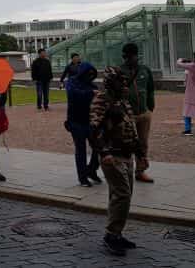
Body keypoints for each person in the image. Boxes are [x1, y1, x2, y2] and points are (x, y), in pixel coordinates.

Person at [90, 66, 146, 256]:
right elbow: (94, 129)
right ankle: (111, 235)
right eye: (120, 81)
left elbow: (132, 128)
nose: (124, 84)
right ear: (110, 81)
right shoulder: (102, 99)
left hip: (126, 154)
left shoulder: (122, 101)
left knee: (123, 195)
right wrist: (104, 153)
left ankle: (116, 233)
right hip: (112, 155)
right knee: (122, 194)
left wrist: (140, 155)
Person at [120, 43, 154, 183]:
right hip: (127, 115)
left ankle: (140, 171)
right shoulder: (119, 71)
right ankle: (125, 171)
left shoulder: (144, 70)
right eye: (127, 57)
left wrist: (150, 107)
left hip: (143, 112)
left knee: (143, 143)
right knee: (127, 144)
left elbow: (150, 89)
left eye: (132, 56)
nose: (129, 59)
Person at [65, 62, 101, 187]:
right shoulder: (71, 82)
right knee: (81, 150)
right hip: (76, 121)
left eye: (92, 75)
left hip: (90, 122)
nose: (90, 77)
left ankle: (91, 169)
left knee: (99, 147)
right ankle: (82, 177)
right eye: (88, 74)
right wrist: (91, 94)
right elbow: (74, 95)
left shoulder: (92, 85)